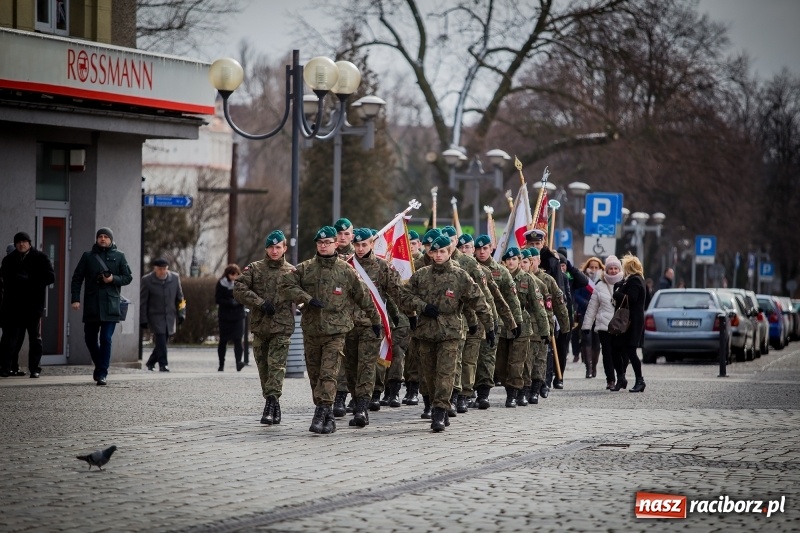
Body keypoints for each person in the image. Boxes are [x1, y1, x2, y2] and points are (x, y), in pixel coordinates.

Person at [280, 226, 380, 435]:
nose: (323, 246)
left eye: (327, 242)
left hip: (336, 332)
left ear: (336, 244)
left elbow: (363, 297)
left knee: (328, 373)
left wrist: (376, 320)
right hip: (312, 330)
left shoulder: (346, 270)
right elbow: (285, 285)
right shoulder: (306, 268)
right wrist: (306, 298)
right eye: (320, 243)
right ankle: (327, 416)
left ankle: (322, 410)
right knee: (315, 375)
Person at [400, 234, 494, 432]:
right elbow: (404, 296)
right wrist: (422, 306)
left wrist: (490, 326)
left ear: (449, 252)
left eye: (443, 251)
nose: (439, 255)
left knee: (446, 373)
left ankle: (440, 411)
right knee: (429, 374)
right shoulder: (421, 275)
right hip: (425, 333)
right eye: (435, 251)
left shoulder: (460, 276)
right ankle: (436, 404)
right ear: (431, 253)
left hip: (450, 333)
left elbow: (478, 301)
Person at [234, 230, 296, 425]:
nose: (274, 251)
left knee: (277, 367)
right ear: (266, 249)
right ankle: (274, 403)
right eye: (271, 247)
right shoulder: (255, 269)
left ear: (285, 248)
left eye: (278, 247)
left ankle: (269, 405)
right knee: (265, 370)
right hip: (261, 328)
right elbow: (239, 288)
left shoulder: (292, 272)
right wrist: (259, 302)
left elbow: (303, 294)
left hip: (282, 328)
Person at [70, 228, 133, 385]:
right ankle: (100, 365)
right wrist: (75, 299)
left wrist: (113, 279)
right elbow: (77, 278)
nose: (103, 239)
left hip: (111, 305)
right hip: (92, 304)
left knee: (105, 338)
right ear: (97, 239)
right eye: (100, 237)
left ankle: (102, 373)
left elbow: (127, 277)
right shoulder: (88, 256)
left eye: (106, 237)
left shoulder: (119, 256)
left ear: (111, 239)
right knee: (90, 338)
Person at [0, 232, 55, 378]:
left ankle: (35, 369)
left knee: (34, 338)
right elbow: (5, 280)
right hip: (14, 306)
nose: (21, 244)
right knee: (11, 339)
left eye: (24, 242)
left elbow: (50, 277)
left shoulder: (40, 258)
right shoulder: (9, 260)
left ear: (29, 243)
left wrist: (30, 280)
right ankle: (6, 368)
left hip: (33, 306)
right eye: (18, 242)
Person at [582, 255, 623, 390]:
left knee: (620, 352)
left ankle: (621, 376)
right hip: (604, 326)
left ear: (619, 269)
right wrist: (587, 326)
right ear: (606, 270)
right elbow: (592, 308)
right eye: (610, 268)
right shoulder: (600, 286)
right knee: (607, 352)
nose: (613, 271)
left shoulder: (625, 284)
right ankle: (610, 379)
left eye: (615, 268)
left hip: (620, 325)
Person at [140, 258, 185, 372]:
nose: (162, 271)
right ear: (155, 269)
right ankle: (163, 364)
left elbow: (181, 299)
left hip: (169, 315)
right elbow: (143, 302)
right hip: (155, 316)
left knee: (163, 341)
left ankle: (151, 362)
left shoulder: (175, 278)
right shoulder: (147, 280)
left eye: (164, 269)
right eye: (160, 269)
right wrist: (143, 319)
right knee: (160, 338)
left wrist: (182, 313)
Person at [611, 253, 647, 393]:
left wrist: (617, 294)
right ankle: (621, 378)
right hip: (626, 321)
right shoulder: (631, 280)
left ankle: (640, 380)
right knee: (616, 348)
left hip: (632, 322)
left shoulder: (635, 281)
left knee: (631, 351)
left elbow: (631, 298)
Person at [574, 257, 603, 378]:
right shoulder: (582, 279)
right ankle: (588, 368)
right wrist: (586, 303)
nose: (594, 269)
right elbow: (576, 294)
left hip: (598, 314)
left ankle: (594, 366)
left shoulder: (603, 280)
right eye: (592, 267)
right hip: (584, 312)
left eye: (596, 267)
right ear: (587, 267)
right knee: (587, 340)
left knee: (596, 343)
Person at [216, 264, 246, 372]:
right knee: (223, 341)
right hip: (225, 316)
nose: (234, 277)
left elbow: (245, 297)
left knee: (238, 339)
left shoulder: (241, 284)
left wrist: (237, 302)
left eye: (236, 274)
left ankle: (239, 362)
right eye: (232, 274)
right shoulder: (221, 283)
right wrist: (229, 302)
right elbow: (218, 299)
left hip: (238, 316)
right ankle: (221, 364)